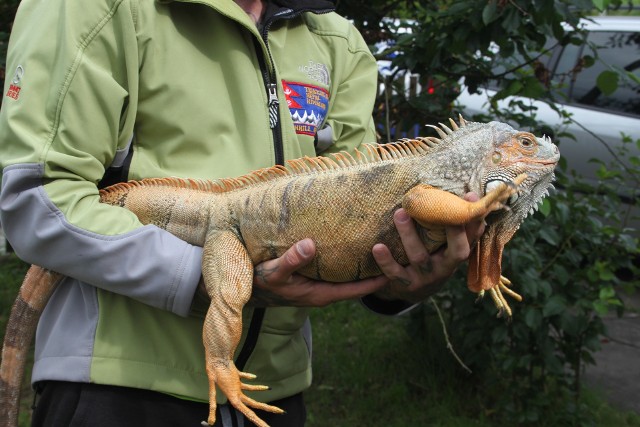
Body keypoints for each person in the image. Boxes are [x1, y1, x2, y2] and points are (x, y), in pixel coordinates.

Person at [0, 0, 484, 425]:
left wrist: (405, 278)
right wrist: (207, 278)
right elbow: (40, 201)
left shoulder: (335, 38)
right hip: (116, 385)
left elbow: (371, 213)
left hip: (272, 393)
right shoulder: (94, 6)